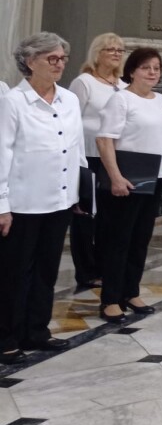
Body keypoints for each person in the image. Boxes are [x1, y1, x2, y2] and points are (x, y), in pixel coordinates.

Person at [0, 33, 85, 363]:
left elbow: (75, 149)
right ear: (30, 61)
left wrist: (79, 193)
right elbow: (3, 153)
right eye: (52, 59)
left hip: (60, 200)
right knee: (14, 273)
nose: (60, 64)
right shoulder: (13, 102)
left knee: (47, 271)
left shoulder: (69, 100)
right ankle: (7, 336)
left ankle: (37, 330)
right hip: (23, 202)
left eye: (63, 58)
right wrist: (2, 204)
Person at [95, 46, 162, 323]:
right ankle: (110, 299)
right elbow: (105, 140)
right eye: (146, 67)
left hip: (156, 175)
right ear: (132, 71)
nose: (153, 72)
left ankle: (131, 291)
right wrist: (116, 177)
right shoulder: (121, 100)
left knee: (141, 239)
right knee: (119, 240)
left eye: (157, 68)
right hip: (128, 177)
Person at [68, 33, 127, 290]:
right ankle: (86, 270)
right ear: (97, 53)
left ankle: (105, 265)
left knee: (109, 217)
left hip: (114, 158)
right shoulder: (84, 82)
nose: (116, 53)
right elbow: (71, 120)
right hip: (88, 156)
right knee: (85, 217)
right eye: (110, 49)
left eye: (119, 50)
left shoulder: (124, 85)